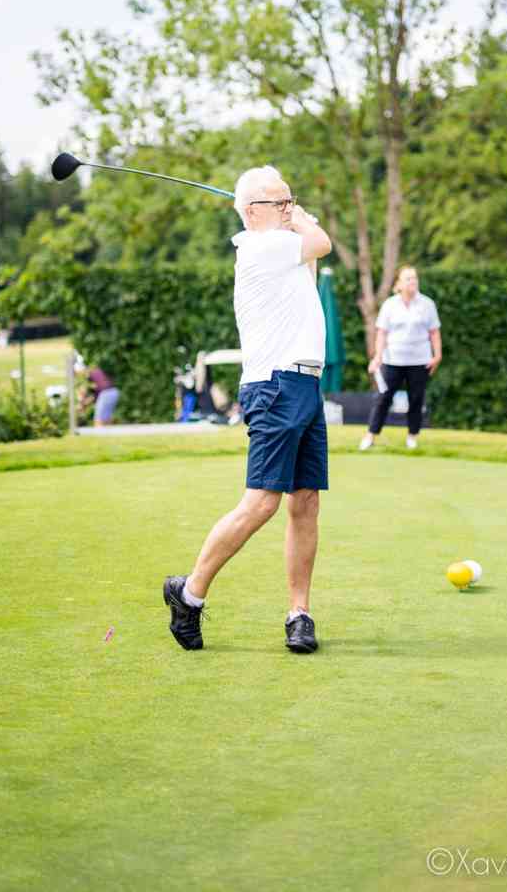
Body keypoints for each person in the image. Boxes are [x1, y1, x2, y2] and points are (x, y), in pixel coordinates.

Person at [163, 165, 332, 654]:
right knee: (261, 502)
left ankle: (299, 614)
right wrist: (304, 221)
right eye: (281, 202)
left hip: (305, 384)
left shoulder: (283, 249)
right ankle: (189, 593)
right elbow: (322, 243)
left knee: (305, 501)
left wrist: (296, 220)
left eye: (290, 199)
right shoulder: (260, 246)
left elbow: (312, 265)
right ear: (253, 211)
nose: (289, 208)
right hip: (275, 386)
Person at [359, 265, 442, 452]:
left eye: (415, 278)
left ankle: (412, 437)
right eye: (408, 278)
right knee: (383, 398)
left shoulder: (427, 304)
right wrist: (378, 356)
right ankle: (371, 435)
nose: (413, 281)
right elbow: (382, 333)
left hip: (420, 361)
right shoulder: (390, 305)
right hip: (392, 360)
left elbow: (434, 332)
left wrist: (437, 355)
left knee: (416, 399)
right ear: (399, 283)